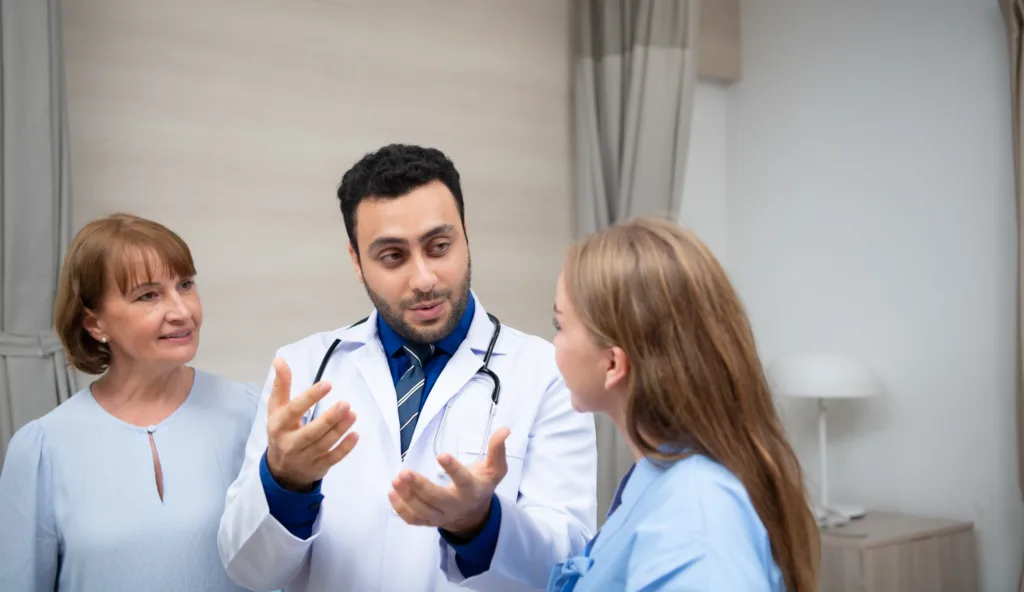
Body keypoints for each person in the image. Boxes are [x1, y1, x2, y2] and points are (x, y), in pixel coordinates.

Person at [218, 144, 597, 591]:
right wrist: (284, 483)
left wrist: (482, 524)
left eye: (439, 246)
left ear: (465, 235)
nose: (424, 279)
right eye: (393, 257)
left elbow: (567, 566)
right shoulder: (302, 370)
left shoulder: (545, 373)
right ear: (357, 262)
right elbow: (247, 571)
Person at [546, 216, 820, 591]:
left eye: (559, 325)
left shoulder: (698, 515)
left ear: (613, 364)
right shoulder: (657, 474)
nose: (554, 343)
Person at [0, 213, 260, 591]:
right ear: (95, 324)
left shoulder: (253, 413)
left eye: (185, 285)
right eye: (148, 295)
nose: (182, 311)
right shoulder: (42, 449)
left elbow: (285, 568)